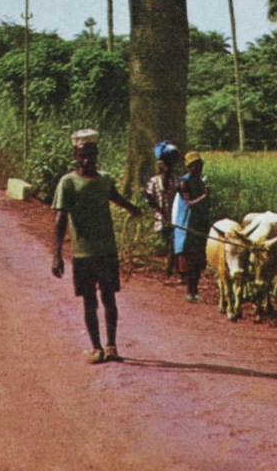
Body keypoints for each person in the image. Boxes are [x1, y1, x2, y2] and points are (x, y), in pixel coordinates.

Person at [52, 129, 142, 364]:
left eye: (91, 155)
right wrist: (57, 254)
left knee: (109, 299)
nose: (86, 160)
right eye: (82, 155)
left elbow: (115, 197)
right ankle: (96, 347)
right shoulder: (68, 183)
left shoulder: (104, 179)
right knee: (89, 301)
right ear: (75, 154)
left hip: (106, 250)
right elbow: (60, 219)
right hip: (83, 253)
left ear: (97, 154)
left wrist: (133, 208)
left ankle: (111, 345)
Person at [172, 150, 210, 302]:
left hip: (199, 223)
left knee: (198, 259)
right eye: (196, 165)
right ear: (189, 166)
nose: (199, 167)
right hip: (187, 224)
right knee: (190, 259)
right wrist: (205, 196)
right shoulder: (184, 183)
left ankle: (195, 290)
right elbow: (189, 203)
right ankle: (190, 291)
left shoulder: (200, 181)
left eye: (200, 164)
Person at [143, 140, 181, 278]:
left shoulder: (176, 181)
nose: (168, 169)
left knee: (172, 244)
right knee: (169, 244)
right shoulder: (154, 181)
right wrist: (159, 209)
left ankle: (171, 270)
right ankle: (172, 269)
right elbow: (148, 198)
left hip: (175, 218)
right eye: (166, 166)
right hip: (161, 218)